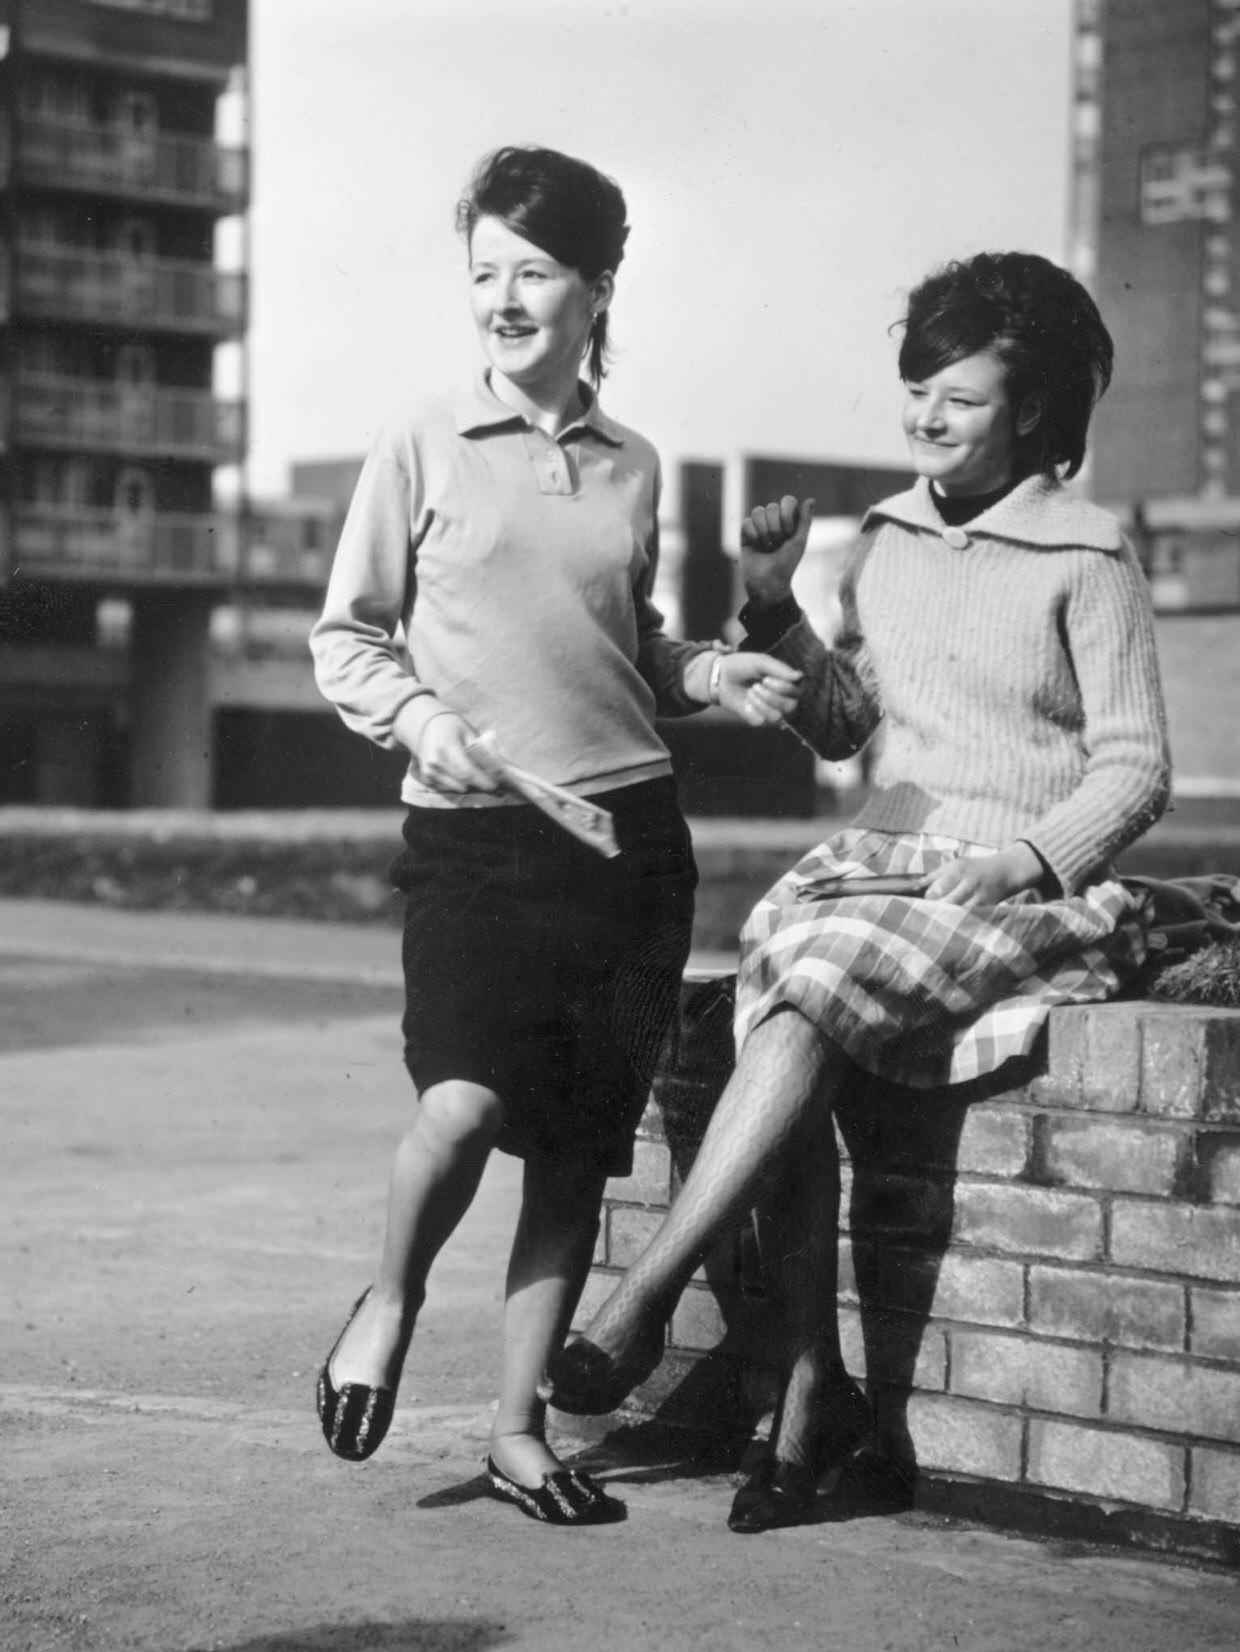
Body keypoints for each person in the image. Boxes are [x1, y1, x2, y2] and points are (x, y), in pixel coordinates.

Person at [544, 250, 1172, 1533]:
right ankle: (811, 1388)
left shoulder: (1087, 553)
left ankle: (648, 1299)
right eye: (915, 393)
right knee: (785, 995)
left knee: (804, 984)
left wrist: (1035, 857)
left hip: (1008, 880)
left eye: (958, 398)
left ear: (1036, 410)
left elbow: (1137, 766)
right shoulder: (881, 540)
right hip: (873, 862)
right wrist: (774, 610)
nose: (925, 419)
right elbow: (842, 729)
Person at [308, 144, 793, 1525]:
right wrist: (420, 721)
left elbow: (624, 641)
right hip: (471, 842)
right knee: (459, 1108)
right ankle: (391, 1300)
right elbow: (345, 639)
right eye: (485, 272)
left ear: (597, 288)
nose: (504, 298)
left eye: (533, 271)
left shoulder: (635, 467)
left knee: (575, 1153)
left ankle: (520, 1434)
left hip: (627, 846)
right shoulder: (418, 444)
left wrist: (711, 672)